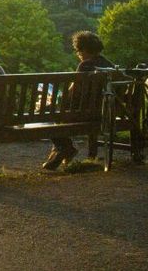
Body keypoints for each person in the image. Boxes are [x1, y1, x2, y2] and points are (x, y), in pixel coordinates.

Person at [42, 30, 115, 170]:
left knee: (47, 111)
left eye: (78, 51)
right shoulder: (109, 64)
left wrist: (56, 102)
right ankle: (64, 149)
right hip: (103, 113)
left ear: (84, 50)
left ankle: (65, 147)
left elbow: (71, 92)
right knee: (55, 111)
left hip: (82, 114)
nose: (78, 54)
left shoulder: (85, 65)